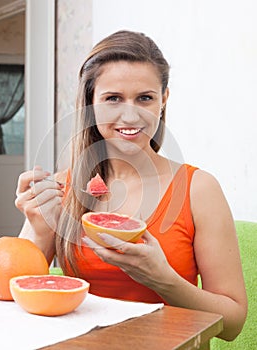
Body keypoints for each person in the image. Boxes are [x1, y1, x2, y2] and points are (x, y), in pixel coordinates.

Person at [15, 30, 247, 341]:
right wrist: (37, 228)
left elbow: (233, 325)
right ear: (90, 105)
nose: (130, 115)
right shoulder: (60, 189)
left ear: (163, 100)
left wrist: (163, 280)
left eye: (145, 98)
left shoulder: (198, 189)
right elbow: (12, 297)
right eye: (113, 99)